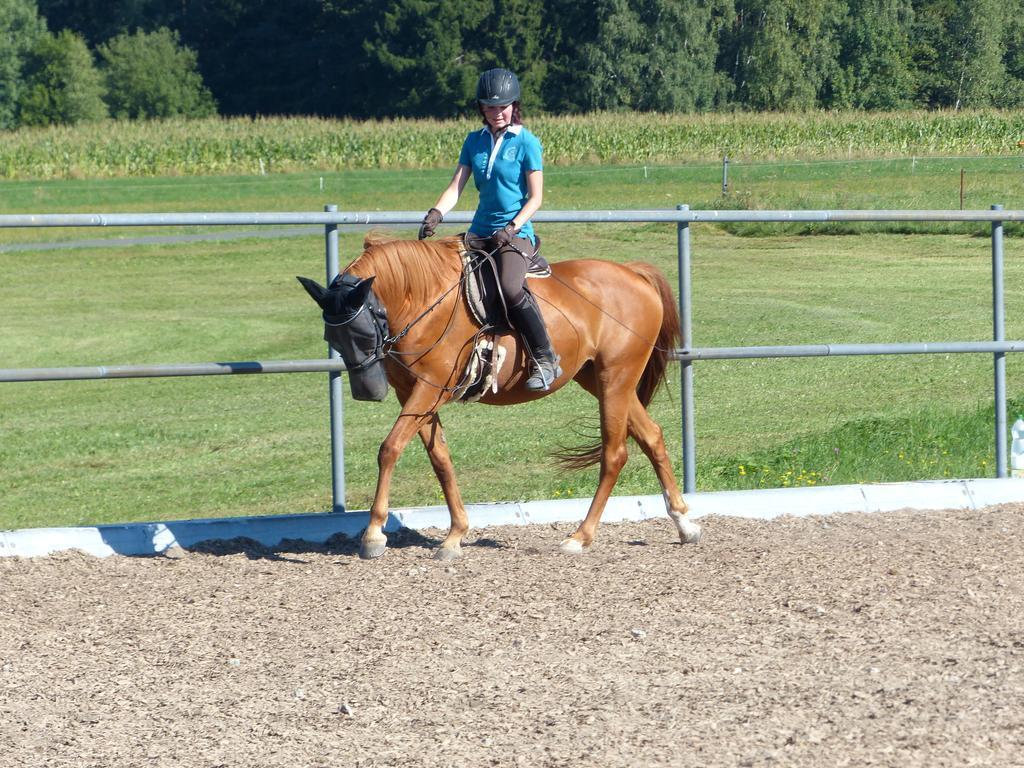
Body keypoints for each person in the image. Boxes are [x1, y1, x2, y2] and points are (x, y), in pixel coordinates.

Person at [417, 68, 561, 392]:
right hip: (479, 232)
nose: (497, 113)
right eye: (490, 107)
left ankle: (546, 357)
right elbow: (456, 186)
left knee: (511, 288)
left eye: (503, 106)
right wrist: (437, 212)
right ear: (481, 108)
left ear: (514, 105)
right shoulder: (474, 141)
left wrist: (512, 228)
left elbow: (536, 198)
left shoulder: (527, 142)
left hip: (516, 234)